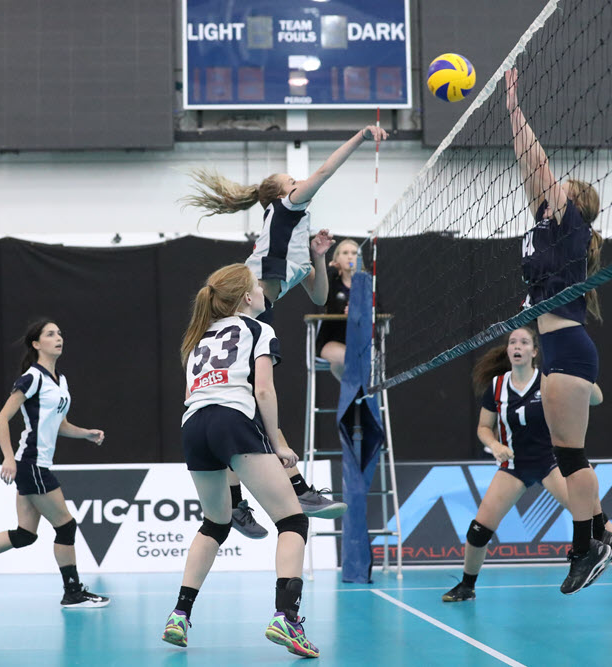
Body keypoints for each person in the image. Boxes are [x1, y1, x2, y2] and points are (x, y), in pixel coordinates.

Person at [182, 130, 387, 533]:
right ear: (282, 194)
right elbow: (326, 170)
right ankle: (289, 488)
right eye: (293, 181)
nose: (300, 183)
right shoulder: (288, 207)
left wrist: (318, 256)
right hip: (242, 309)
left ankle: (255, 497)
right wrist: (362, 136)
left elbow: (318, 295)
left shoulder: (296, 236)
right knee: (248, 401)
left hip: (256, 312)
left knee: (246, 404)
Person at [162, 264, 318, 658]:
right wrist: (277, 443)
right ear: (248, 298)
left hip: (193, 426)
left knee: (215, 522)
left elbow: (197, 395)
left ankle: (180, 613)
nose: (265, 291)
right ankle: (287, 617)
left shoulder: (197, 339)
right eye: (258, 287)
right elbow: (262, 391)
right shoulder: (258, 329)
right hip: (233, 420)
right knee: (293, 520)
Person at [441, 328, 612, 602]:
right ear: (508, 351)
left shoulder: (548, 380)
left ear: (535, 351)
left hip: (551, 462)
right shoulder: (497, 386)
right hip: (514, 466)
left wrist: (577, 374)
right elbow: (484, 428)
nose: (517, 346)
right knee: (478, 530)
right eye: (513, 342)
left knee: (596, 519)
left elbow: (597, 398)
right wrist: (496, 446)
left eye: (524, 342)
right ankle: (466, 587)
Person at [507, 68, 612, 594]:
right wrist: (510, 115)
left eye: (563, 189)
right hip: (557, 349)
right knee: (568, 454)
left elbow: (539, 162)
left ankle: (585, 549)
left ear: (575, 203)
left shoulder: (571, 221)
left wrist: (515, 104)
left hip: (570, 349)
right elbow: (530, 169)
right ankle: (589, 545)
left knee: (572, 457)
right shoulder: (546, 224)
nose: (555, 188)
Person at [0, 319, 110, 609]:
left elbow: (59, 424)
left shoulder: (60, 380)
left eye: (60, 333)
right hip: (31, 464)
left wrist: (85, 433)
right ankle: (72, 592)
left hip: (36, 464)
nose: (58, 337)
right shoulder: (32, 377)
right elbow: (1, 419)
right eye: (50, 334)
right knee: (66, 526)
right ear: (36, 344)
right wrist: (9, 457)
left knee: (25, 535)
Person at [316, 239, 359, 382]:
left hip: (360, 340)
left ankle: (355, 395)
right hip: (332, 339)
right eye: (345, 253)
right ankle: (357, 394)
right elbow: (322, 295)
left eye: (354, 253)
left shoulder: (367, 283)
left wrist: (361, 311)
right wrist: (332, 269)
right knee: (347, 358)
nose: (350, 257)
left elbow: (379, 309)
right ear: (337, 259)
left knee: (341, 364)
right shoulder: (332, 280)